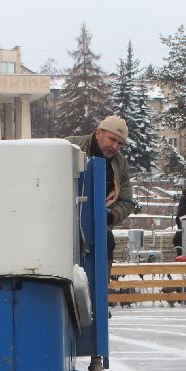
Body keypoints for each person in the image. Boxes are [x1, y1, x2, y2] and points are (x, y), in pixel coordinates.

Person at [66, 115, 135, 280]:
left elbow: (127, 201)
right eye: (112, 139)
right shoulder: (69, 147)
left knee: (106, 243)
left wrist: (111, 216)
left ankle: (101, 289)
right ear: (98, 133)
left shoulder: (120, 164)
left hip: (99, 229)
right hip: (65, 224)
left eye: (120, 143)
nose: (115, 147)